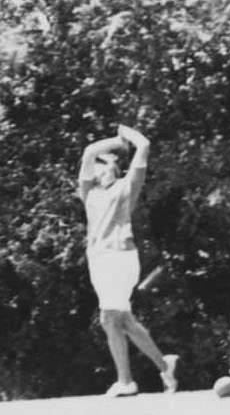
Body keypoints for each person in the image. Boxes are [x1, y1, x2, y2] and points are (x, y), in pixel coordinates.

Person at [77, 124, 179, 397]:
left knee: (110, 318)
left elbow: (143, 145)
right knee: (121, 321)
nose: (98, 167)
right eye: (98, 164)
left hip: (120, 258)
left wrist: (128, 135)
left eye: (105, 163)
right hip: (98, 261)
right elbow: (89, 152)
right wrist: (114, 141)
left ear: (114, 168)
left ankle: (126, 382)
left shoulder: (126, 187)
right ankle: (164, 365)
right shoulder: (88, 192)